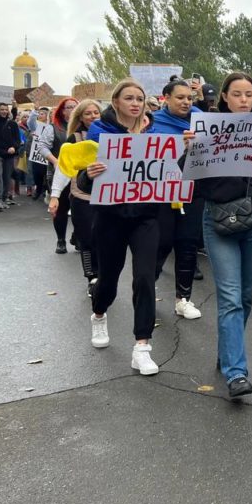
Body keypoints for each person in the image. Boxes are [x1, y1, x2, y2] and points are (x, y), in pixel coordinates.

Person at [188, 73, 252, 397]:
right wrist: (192, 150)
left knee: (246, 296)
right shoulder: (207, 130)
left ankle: (227, 354)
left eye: (248, 94)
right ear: (224, 97)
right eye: (236, 93)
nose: (243, 99)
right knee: (230, 296)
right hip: (219, 221)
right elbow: (189, 175)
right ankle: (236, 372)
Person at [79, 80, 162, 376]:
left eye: (140, 98)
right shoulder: (99, 133)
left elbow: (170, 171)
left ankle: (142, 347)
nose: (136, 103)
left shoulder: (155, 135)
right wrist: (88, 174)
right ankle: (99, 313)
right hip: (110, 216)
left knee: (144, 278)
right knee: (109, 280)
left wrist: (184, 149)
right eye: (129, 98)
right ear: (116, 101)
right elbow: (81, 180)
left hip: (146, 217)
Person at [150, 80, 204, 322]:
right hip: (162, 194)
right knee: (160, 244)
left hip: (192, 192)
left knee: (188, 245)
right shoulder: (152, 123)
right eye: (180, 97)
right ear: (166, 98)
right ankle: (146, 290)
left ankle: (183, 299)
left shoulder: (202, 122)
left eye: (189, 98)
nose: (186, 102)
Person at [50, 100, 102, 295]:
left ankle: (104, 275)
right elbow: (63, 170)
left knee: (104, 239)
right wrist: (55, 196)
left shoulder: (113, 136)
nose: (93, 116)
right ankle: (92, 277)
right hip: (83, 197)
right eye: (88, 113)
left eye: (96, 112)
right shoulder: (74, 139)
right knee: (87, 239)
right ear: (80, 117)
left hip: (108, 197)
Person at [38, 98, 77, 253]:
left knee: (80, 208)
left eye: (76, 107)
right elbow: (42, 146)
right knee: (61, 208)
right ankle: (61, 239)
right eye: (69, 107)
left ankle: (78, 236)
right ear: (62, 110)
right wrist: (55, 161)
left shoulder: (84, 127)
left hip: (80, 175)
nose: (73, 109)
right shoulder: (53, 128)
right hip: (58, 172)